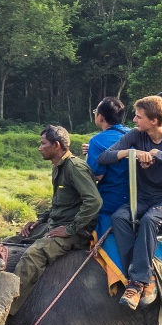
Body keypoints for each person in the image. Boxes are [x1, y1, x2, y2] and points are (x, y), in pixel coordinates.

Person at [104, 95, 162, 309]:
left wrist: (157, 154)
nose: (134, 120)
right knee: (120, 217)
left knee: (150, 220)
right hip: (143, 198)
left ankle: (137, 283)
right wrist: (131, 152)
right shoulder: (136, 135)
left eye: (138, 116)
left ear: (153, 121)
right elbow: (105, 157)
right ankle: (143, 278)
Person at [14, 125, 102, 301]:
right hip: (56, 223)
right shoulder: (58, 167)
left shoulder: (75, 168)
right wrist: (40, 220)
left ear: (56, 145)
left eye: (43, 143)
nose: (39, 148)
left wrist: (70, 230)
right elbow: (61, 203)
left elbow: (94, 201)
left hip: (76, 230)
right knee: (15, 240)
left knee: (34, 254)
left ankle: (8, 306)